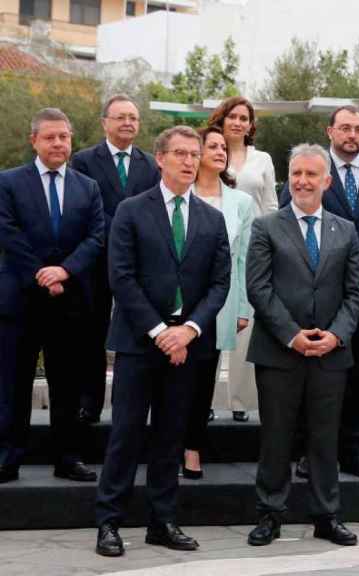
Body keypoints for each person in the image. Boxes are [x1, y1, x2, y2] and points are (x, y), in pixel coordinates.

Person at [95, 126, 230, 557]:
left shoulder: (212, 218)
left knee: (171, 436)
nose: (190, 161)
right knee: (126, 434)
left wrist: (188, 330)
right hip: (139, 343)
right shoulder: (131, 211)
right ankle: (109, 523)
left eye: (195, 154)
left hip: (188, 346)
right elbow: (122, 277)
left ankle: (162, 521)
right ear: (160, 158)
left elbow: (220, 283)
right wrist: (160, 332)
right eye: (180, 154)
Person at [245, 143, 359, 547]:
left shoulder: (345, 231)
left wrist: (336, 335)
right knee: (276, 437)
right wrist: (292, 336)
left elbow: (355, 294)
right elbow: (259, 289)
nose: (302, 181)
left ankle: (326, 516)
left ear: (326, 181)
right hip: (279, 352)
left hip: (331, 356)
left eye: (311, 174)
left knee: (324, 439)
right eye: (296, 174)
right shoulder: (266, 226)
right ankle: (269, 515)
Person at [280, 105, 359, 480]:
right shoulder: (312, 171)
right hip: (317, 291)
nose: (352, 135)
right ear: (330, 131)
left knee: (357, 372)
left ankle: (352, 449)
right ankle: (308, 452)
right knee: (315, 374)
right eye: (344, 128)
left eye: (357, 129)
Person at [0, 108, 105, 484]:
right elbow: (7, 233)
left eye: (64, 136)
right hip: (20, 300)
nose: (58, 143)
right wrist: (42, 275)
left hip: (71, 300)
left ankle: (67, 458)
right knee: (13, 382)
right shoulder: (8, 183)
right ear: (34, 141)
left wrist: (65, 270)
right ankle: (7, 458)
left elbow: (96, 236)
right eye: (50, 137)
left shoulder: (87, 187)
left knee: (67, 384)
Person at [71, 94, 161, 424]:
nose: (127, 123)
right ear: (104, 122)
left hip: (138, 264)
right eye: (121, 117)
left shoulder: (151, 164)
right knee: (91, 333)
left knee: (139, 328)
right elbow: (81, 208)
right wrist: (117, 233)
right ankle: (89, 403)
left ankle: (137, 405)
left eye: (133, 118)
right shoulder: (83, 160)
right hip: (95, 259)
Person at [182, 127, 256, 480]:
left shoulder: (240, 202)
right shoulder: (180, 195)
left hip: (218, 304)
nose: (220, 151)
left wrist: (244, 308)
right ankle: (169, 447)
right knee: (171, 383)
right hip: (175, 305)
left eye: (223, 147)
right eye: (211, 145)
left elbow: (243, 260)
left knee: (201, 381)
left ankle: (192, 449)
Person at [207, 96, 277, 423]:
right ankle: (202, 400)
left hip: (252, 250)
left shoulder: (262, 159)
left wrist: (272, 250)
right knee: (208, 325)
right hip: (209, 250)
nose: (238, 122)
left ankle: (239, 402)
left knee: (244, 326)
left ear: (250, 125)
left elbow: (271, 207)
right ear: (221, 120)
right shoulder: (208, 152)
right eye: (232, 116)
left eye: (244, 118)